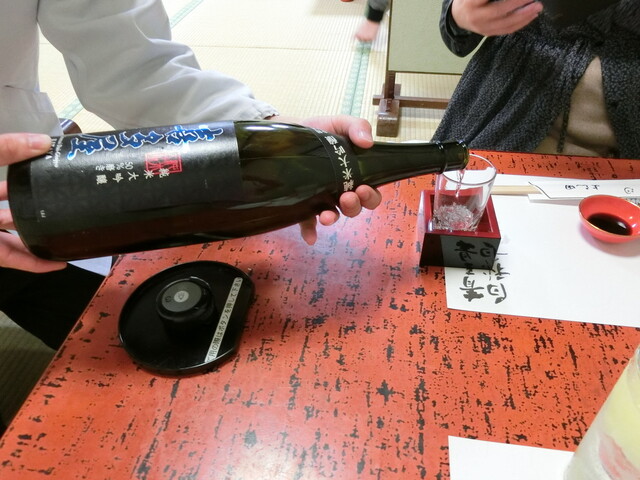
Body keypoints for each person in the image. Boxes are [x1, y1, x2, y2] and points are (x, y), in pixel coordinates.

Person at [0, 2, 381, 368]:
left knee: (112, 340)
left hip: (39, 199)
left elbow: (132, 60)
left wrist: (278, 137)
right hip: (43, 189)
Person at [432, 0, 640, 159]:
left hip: (626, 122)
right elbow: (456, 32)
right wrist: (459, 13)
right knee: (458, 184)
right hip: (511, 98)